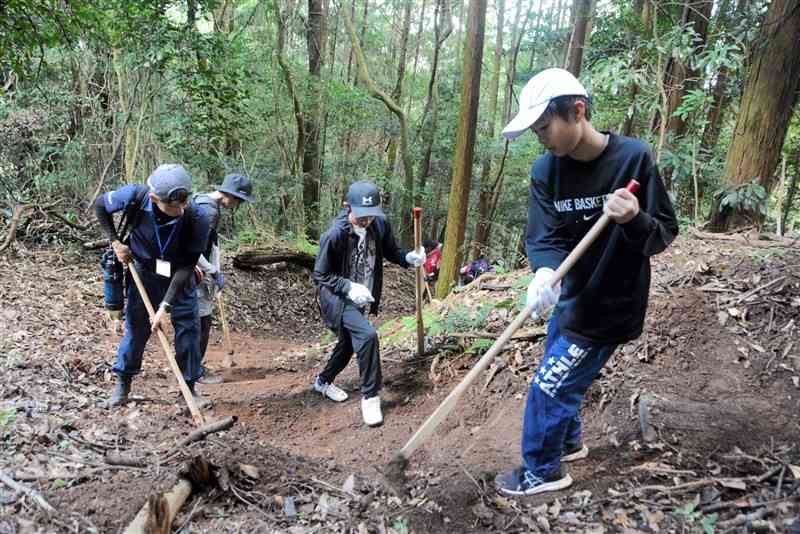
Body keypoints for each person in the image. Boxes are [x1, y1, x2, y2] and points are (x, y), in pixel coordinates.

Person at [494, 68, 678, 496]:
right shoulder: (547, 171)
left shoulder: (634, 158)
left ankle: (543, 470)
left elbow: (662, 234)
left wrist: (634, 217)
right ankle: (569, 443)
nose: (541, 137)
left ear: (577, 111)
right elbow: (545, 236)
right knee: (555, 370)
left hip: (612, 304)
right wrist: (543, 273)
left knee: (549, 384)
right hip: (570, 299)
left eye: (545, 127)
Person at [94, 164, 210, 408]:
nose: (180, 210)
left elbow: (187, 266)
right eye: (173, 205)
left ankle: (189, 389)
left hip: (179, 278)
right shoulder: (135, 196)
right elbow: (101, 205)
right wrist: (115, 241)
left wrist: (165, 307)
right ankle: (122, 386)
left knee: (189, 332)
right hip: (144, 274)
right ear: (154, 198)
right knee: (136, 331)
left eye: (184, 202)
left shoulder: (197, 217)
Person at [312, 181, 426, 427]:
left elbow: (391, 251)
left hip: (361, 295)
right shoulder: (335, 234)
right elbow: (320, 275)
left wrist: (408, 257)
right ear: (347, 207)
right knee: (367, 336)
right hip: (336, 296)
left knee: (349, 343)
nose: (366, 221)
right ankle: (371, 396)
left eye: (371, 216)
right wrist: (349, 287)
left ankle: (323, 381)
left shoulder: (379, 225)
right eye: (361, 216)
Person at [194, 173, 256, 385]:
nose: (237, 205)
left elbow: (212, 243)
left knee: (202, 321)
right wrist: (212, 271)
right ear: (229, 195)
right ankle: (194, 371)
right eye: (238, 200)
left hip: (199, 271)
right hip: (195, 274)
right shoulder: (209, 211)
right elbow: (195, 250)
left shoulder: (201, 200)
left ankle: (194, 367)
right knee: (200, 322)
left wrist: (217, 269)